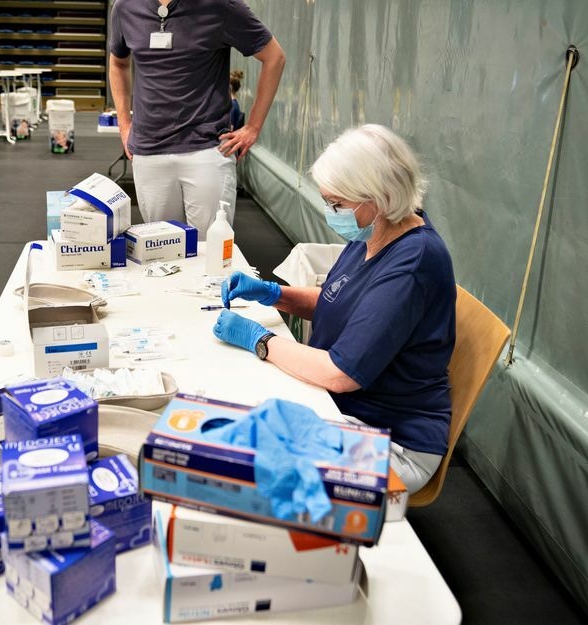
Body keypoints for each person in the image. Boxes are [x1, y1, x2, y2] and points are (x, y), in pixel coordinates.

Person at [212, 124, 457, 493]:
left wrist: (260, 340)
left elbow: (342, 372)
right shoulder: (375, 232)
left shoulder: (412, 262)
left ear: (381, 196)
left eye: (338, 204)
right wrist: (273, 293)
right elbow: (339, 300)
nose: (330, 211)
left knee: (244, 469)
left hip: (391, 441)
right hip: (343, 408)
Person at [108, 0, 285, 237]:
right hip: (149, 152)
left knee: (209, 253)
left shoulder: (222, 6)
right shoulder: (125, 8)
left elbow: (274, 57)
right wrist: (124, 124)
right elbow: (118, 62)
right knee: (163, 252)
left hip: (207, 151)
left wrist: (252, 127)